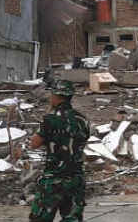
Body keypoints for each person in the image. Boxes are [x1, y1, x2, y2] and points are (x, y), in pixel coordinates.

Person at [29, 80, 90, 222]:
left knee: (40, 218)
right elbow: (83, 140)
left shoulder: (50, 119)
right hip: (76, 178)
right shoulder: (83, 120)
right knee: (71, 218)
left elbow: (34, 144)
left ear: (56, 96)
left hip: (54, 179)